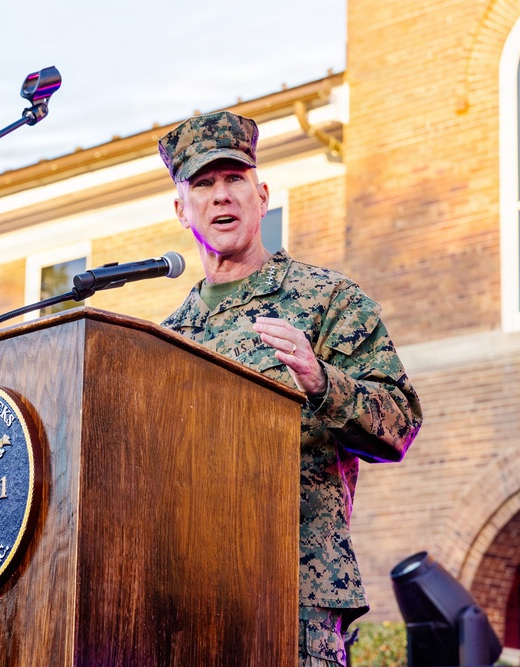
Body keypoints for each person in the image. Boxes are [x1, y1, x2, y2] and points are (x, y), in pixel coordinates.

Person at [157, 111, 423, 667]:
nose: (220, 196)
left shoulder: (327, 299)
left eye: (234, 180)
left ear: (263, 196)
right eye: (203, 185)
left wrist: (322, 381)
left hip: (295, 594)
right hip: (184, 599)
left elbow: (399, 421)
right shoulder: (164, 340)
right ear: (182, 211)